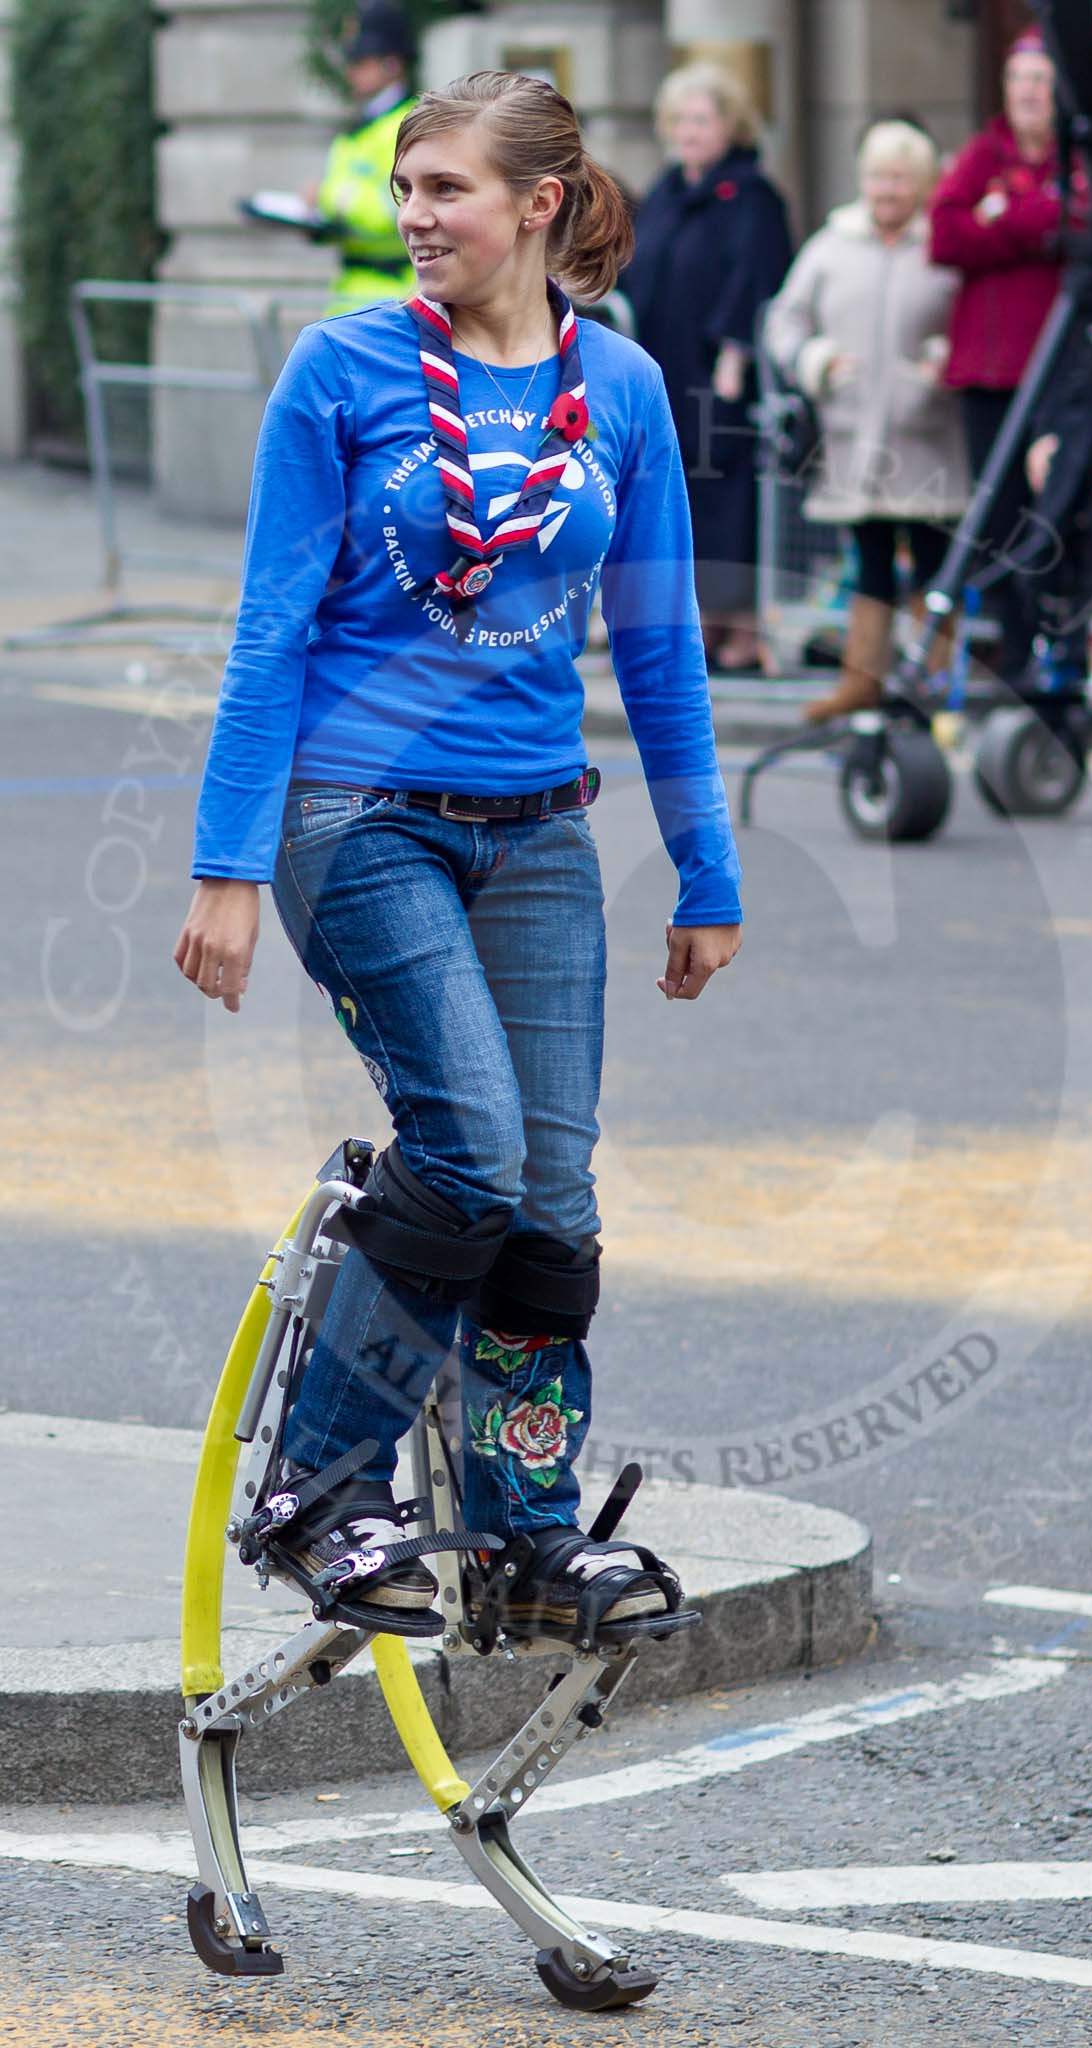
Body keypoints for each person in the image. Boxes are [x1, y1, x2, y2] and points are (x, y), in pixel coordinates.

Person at [172, 70, 743, 1637]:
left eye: (446, 192)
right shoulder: (341, 368)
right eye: (407, 189)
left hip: (540, 827)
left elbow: (662, 650)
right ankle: (319, 1493)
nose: (412, 217)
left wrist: (708, 871)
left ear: (537, 207)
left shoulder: (618, 389)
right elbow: (270, 629)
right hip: (354, 816)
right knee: (470, 1148)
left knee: (550, 1200)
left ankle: (528, 1542)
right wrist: (227, 863)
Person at [764, 120, 968, 723]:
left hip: (931, 435)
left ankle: (933, 681)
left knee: (936, 563)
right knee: (871, 560)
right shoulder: (831, 246)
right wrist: (817, 361)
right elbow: (786, 321)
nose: (888, 189)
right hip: (855, 434)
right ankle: (864, 679)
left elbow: (974, 322)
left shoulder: (946, 245)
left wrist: (945, 360)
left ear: (925, 184)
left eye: (901, 178)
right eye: (878, 176)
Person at [618, 60, 792, 674]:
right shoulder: (666, 190)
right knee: (674, 495)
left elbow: (755, 276)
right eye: (681, 120)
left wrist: (735, 355)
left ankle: (738, 627)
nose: (689, 131)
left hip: (719, 372)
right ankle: (693, 625)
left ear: (729, 126)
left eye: (702, 119)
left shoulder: (751, 195)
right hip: (663, 365)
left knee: (725, 496)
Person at [928, 28, 1084, 685]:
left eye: (1039, 81)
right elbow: (944, 235)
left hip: (1057, 372)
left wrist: (1001, 217)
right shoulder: (981, 151)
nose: (1026, 93)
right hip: (989, 375)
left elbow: (1079, 224)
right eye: (1018, 80)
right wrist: (1032, 222)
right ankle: (1015, 658)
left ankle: (1065, 652)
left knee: (1058, 515)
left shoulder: (1077, 156)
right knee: (997, 517)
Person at [312, 1, 420, 314]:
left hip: (393, 290)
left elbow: (398, 209)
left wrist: (330, 198)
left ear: (392, 63)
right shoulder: (360, 126)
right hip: (350, 289)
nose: (351, 71)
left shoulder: (408, 124)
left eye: (361, 61)